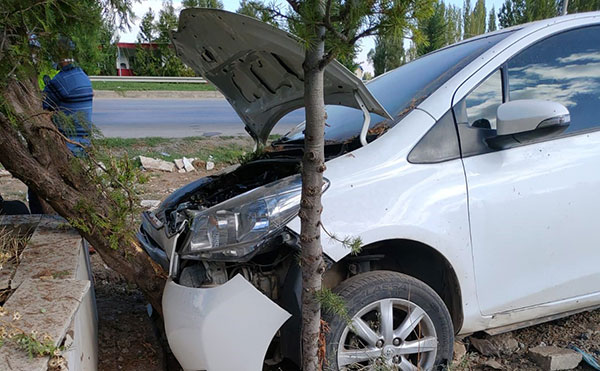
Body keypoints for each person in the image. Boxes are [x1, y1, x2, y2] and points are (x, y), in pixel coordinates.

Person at [29, 38, 94, 214]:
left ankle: (43, 221)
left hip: (67, 145)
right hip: (82, 144)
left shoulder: (61, 81)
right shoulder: (82, 76)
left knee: (38, 187)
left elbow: (39, 109)